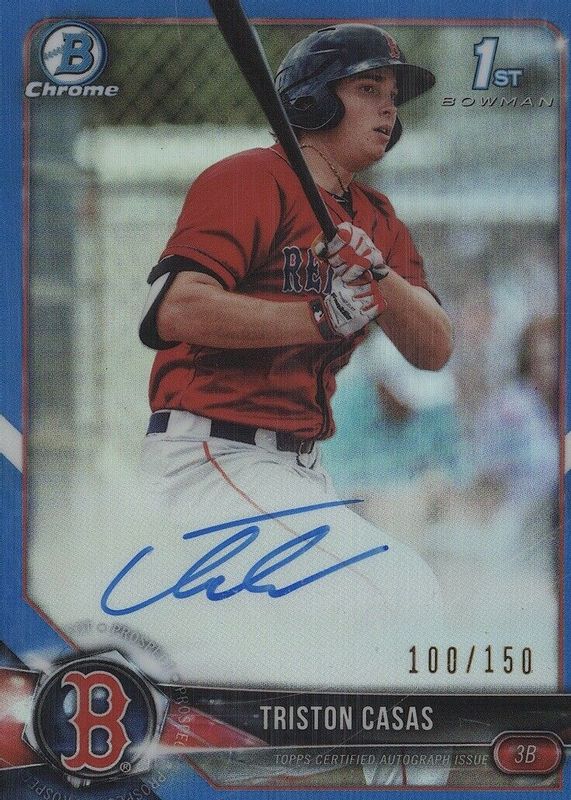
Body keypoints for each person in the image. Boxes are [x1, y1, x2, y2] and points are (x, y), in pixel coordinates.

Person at [135, 23, 453, 787]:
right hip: (213, 454)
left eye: (392, 94)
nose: (387, 108)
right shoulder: (249, 178)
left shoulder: (375, 217)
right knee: (402, 595)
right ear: (312, 101)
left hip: (295, 470)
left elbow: (434, 348)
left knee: (283, 711)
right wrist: (316, 317)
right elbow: (175, 310)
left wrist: (378, 277)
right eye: (366, 89)